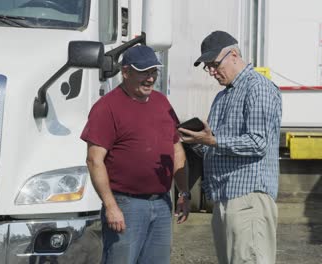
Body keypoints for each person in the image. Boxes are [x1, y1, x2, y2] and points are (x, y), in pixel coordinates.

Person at [178, 31, 282, 264]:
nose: (212, 72)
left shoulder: (258, 88)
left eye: (215, 65)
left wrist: (213, 141)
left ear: (233, 54)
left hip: (249, 200)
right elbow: (215, 145)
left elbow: (258, 143)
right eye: (207, 67)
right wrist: (194, 142)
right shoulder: (222, 97)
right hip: (225, 198)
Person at [81, 45, 191, 264]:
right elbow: (94, 160)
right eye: (144, 72)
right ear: (125, 72)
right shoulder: (107, 107)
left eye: (153, 72)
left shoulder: (162, 103)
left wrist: (184, 193)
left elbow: (176, 149)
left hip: (161, 204)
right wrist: (111, 206)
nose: (150, 79)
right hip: (127, 205)